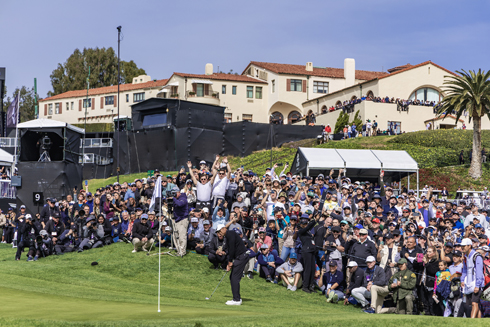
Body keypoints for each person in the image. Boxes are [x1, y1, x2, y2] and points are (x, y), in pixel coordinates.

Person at [219, 225, 249, 306]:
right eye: (218, 231)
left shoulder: (231, 234)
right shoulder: (228, 236)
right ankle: (236, 298)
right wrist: (229, 262)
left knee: (234, 278)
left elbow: (232, 249)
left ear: (225, 228)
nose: (220, 233)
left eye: (220, 230)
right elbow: (230, 250)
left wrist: (230, 262)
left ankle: (236, 300)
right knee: (232, 277)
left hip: (242, 257)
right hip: (240, 257)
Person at [461, 238, 484, 318]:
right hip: (469, 284)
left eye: (464, 246)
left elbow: (479, 272)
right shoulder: (465, 257)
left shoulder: (477, 256)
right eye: (462, 246)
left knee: (474, 303)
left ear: (469, 246)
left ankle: (471, 322)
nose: (462, 248)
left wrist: (477, 285)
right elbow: (464, 270)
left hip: (477, 284)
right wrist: (462, 280)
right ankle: (478, 323)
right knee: (474, 304)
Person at [298, 214, 320, 293]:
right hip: (306, 251)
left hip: (311, 251)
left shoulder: (308, 233)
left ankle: (311, 286)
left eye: (306, 223)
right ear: (301, 225)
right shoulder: (301, 231)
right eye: (303, 224)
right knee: (307, 269)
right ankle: (305, 286)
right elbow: (308, 227)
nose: (305, 225)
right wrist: (314, 220)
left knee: (312, 269)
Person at [171, 186, 189, 257]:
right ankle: (178, 251)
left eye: (175, 194)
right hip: (176, 219)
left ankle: (182, 251)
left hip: (182, 219)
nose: (174, 195)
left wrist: (173, 199)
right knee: (175, 236)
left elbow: (180, 204)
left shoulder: (183, 198)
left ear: (179, 192)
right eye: (172, 194)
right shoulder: (176, 199)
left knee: (182, 237)